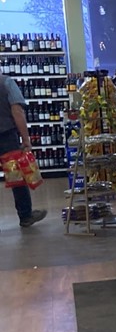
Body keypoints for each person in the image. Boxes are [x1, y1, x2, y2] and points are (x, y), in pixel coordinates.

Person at [0, 73, 46, 227]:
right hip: (6, 136)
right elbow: (17, 111)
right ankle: (25, 215)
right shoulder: (6, 82)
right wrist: (26, 139)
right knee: (16, 176)